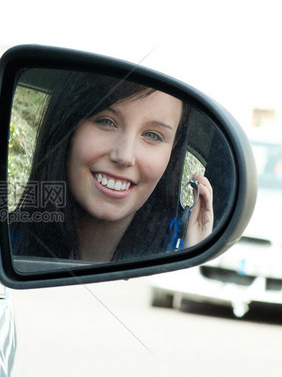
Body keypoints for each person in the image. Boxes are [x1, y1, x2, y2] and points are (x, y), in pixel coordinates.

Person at [11, 71, 213, 262]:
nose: (124, 156)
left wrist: (191, 258)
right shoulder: (3, 242)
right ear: (67, 127)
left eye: (153, 135)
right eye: (106, 121)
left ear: (172, 152)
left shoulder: (178, 250)